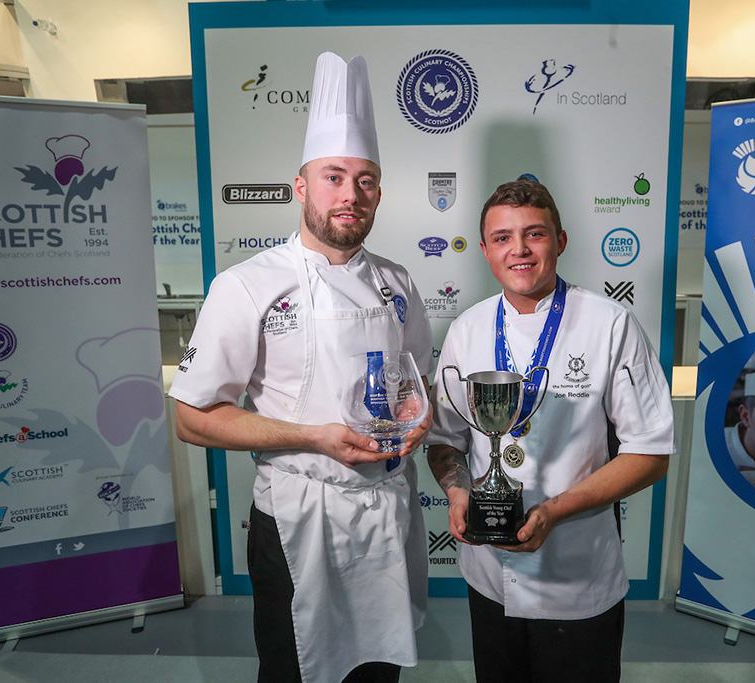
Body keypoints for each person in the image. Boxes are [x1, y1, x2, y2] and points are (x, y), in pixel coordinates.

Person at [169, 52, 433, 683]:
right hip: (297, 517)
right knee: (294, 671)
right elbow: (191, 419)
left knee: (378, 671)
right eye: (334, 176)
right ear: (301, 186)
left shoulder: (397, 282)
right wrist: (312, 436)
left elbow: (413, 382)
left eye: (365, 180)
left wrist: (413, 416)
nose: (351, 195)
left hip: (385, 512)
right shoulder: (247, 285)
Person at [425, 179, 675, 683]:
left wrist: (553, 512)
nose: (518, 250)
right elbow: (445, 441)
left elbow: (650, 453)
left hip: (578, 577)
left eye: (534, 234)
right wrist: (456, 493)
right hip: (489, 577)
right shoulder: (467, 329)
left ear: (560, 241)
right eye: (502, 238)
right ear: (485, 250)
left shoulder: (610, 325)